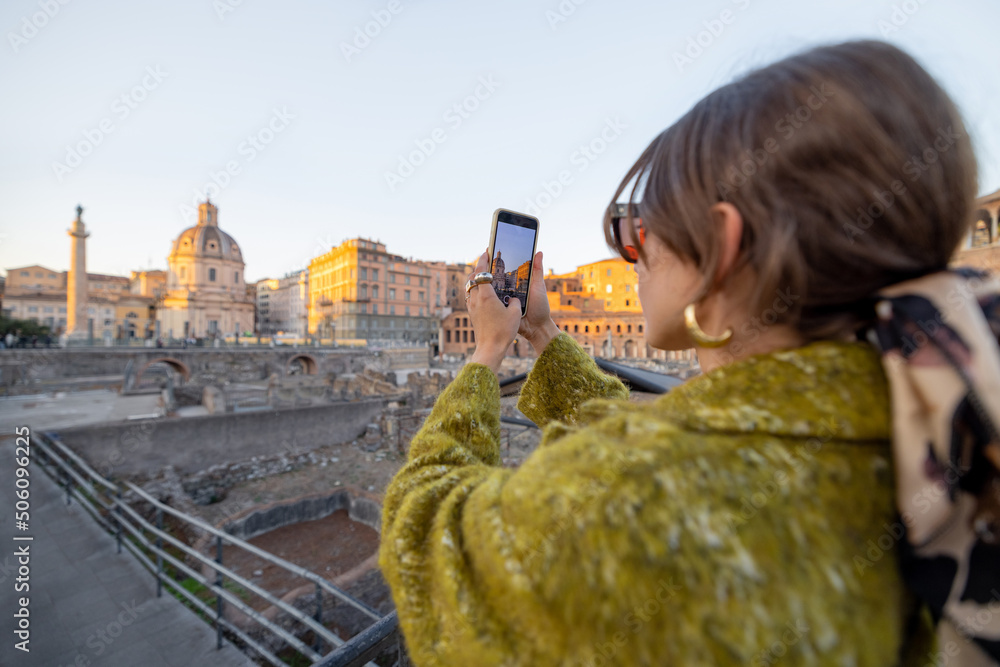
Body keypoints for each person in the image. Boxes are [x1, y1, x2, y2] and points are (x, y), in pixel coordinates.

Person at [378, 41, 995, 665]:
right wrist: (540, 334)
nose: (633, 254)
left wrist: (485, 352)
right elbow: (679, 430)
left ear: (721, 247)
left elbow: (427, 536)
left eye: (637, 229)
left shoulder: (646, 502)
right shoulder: (900, 414)